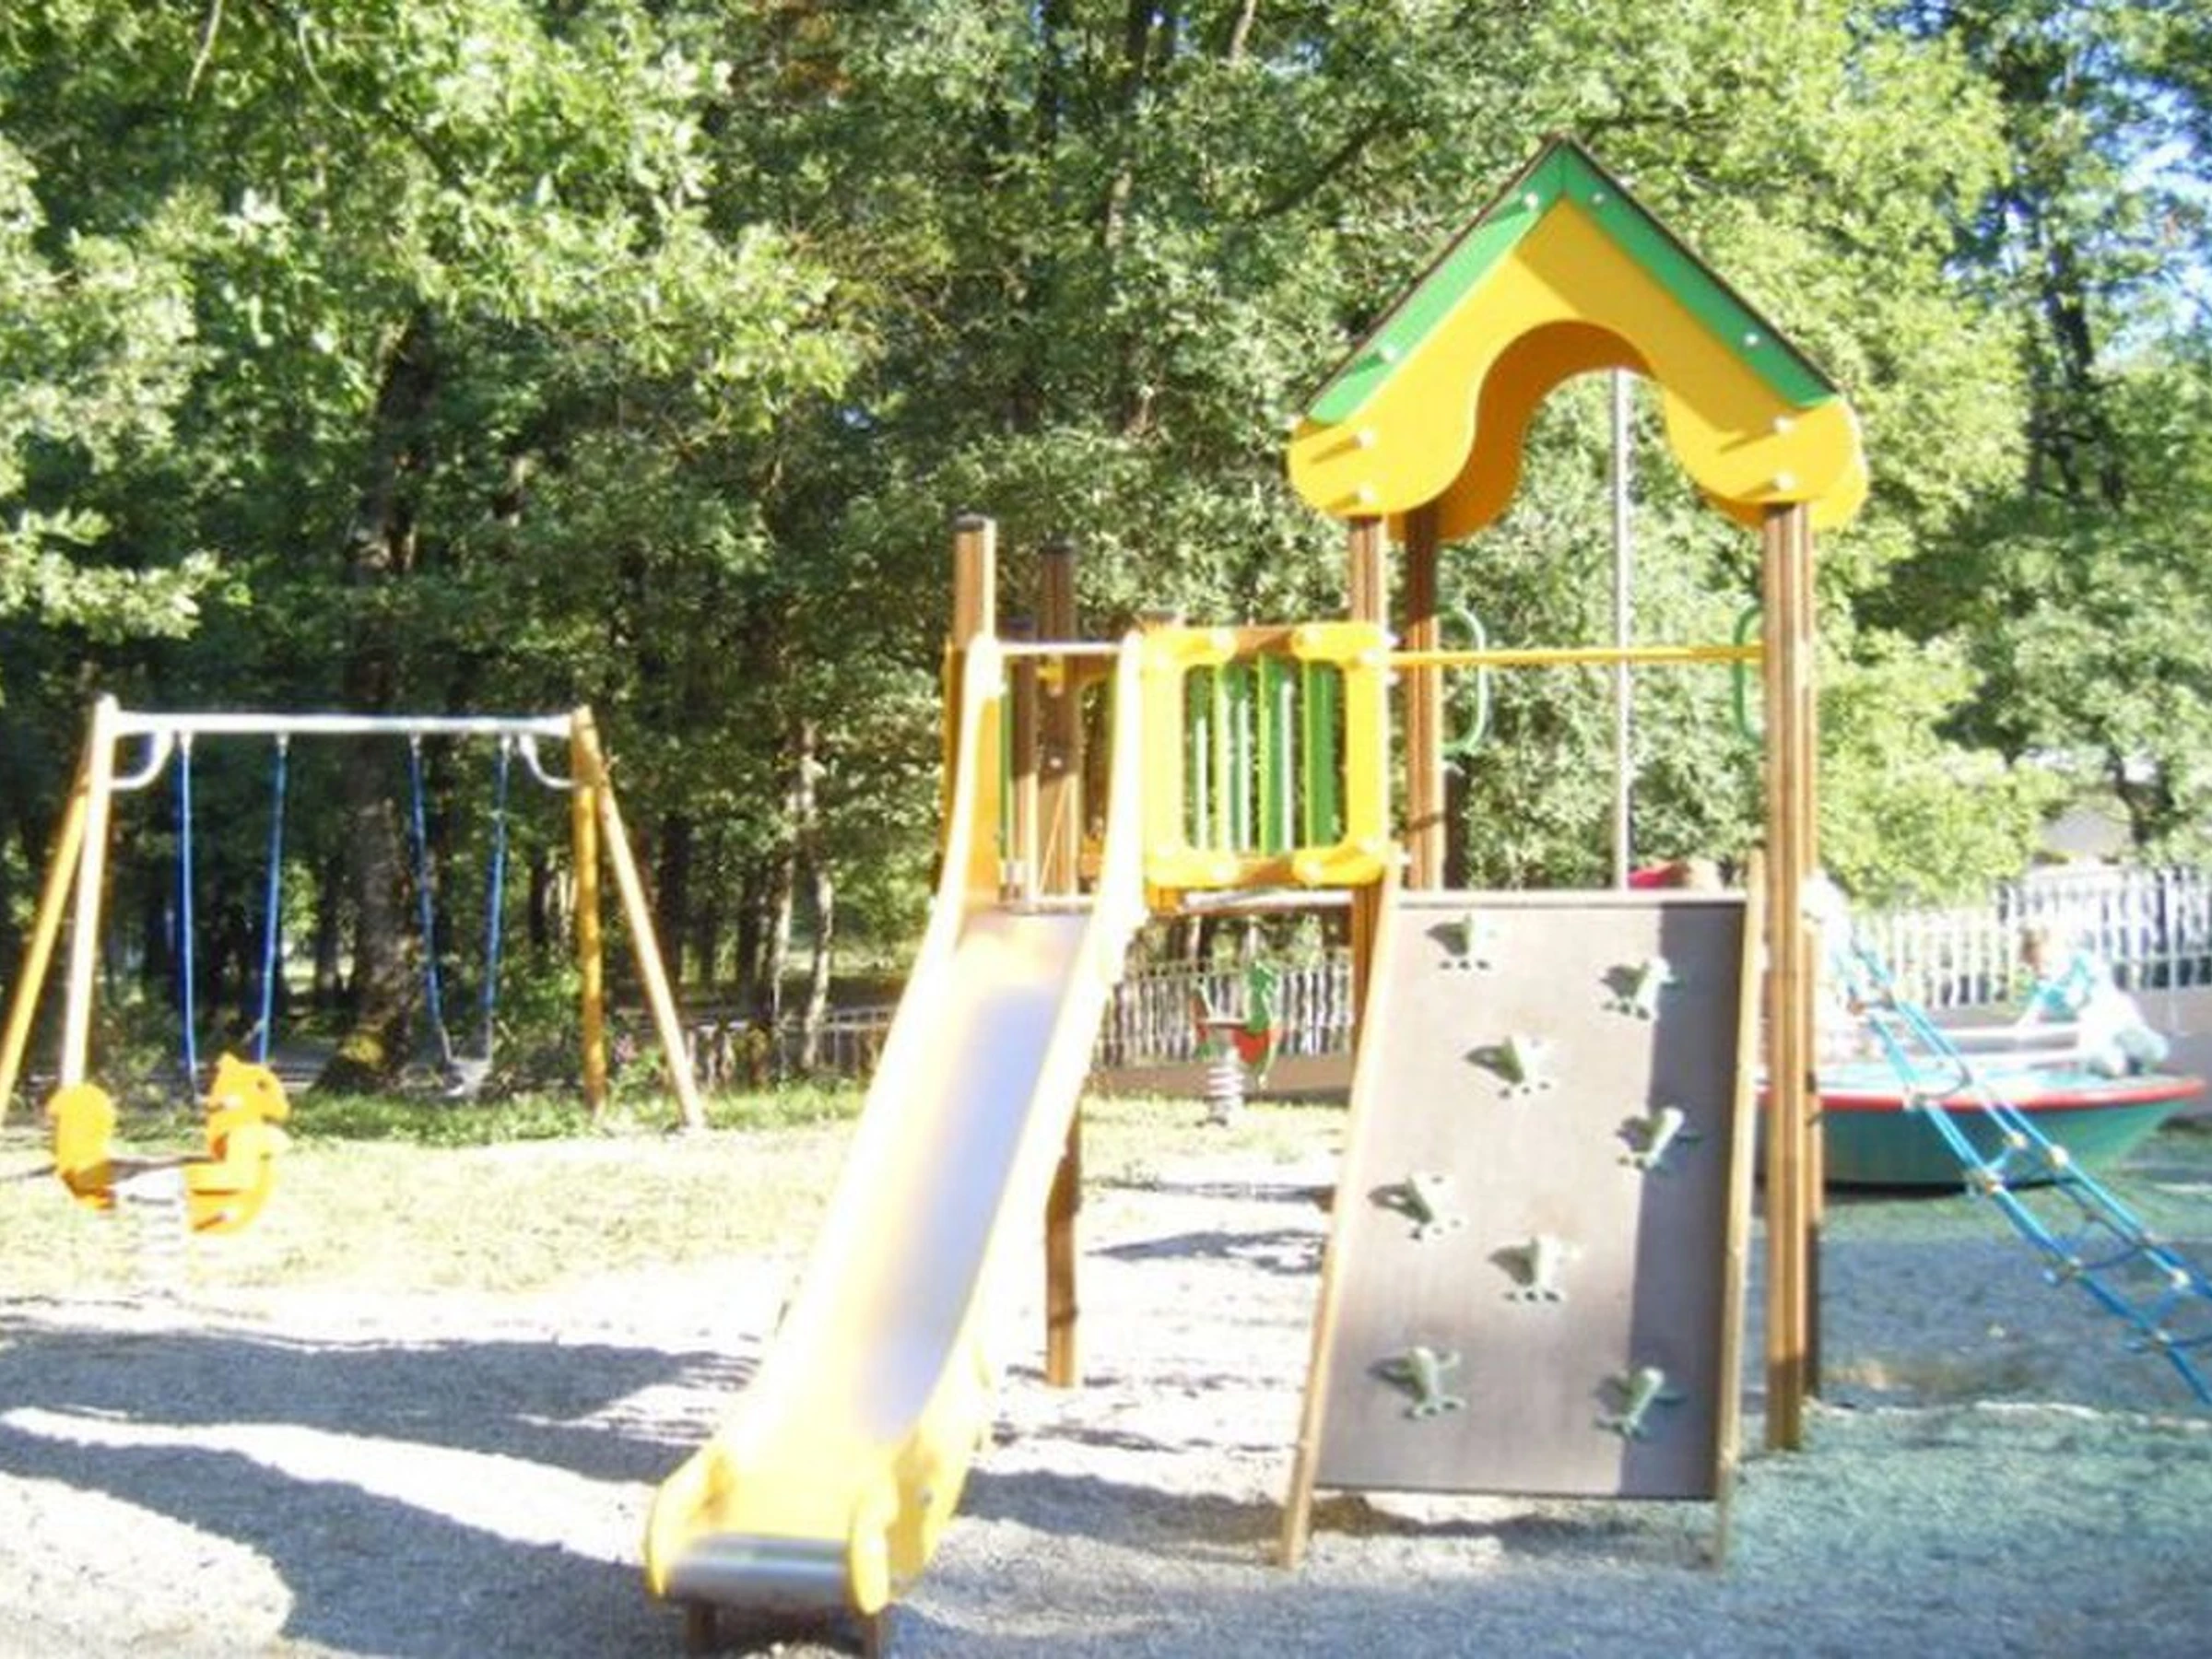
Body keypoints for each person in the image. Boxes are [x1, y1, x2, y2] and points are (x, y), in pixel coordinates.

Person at [2015, 923, 2170, 1077]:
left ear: (2063, 953)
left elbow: (2100, 984)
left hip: (2113, 1011)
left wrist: (2085, 1000)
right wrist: (2019, 1032)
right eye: (2035, 967)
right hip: (2091, 1024)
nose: (2041, 971)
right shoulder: (2042, 986)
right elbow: (2031, 1014)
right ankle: (2125, 1065)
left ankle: (2147, 1051)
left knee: (2149, 1047)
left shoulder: (2081, 960)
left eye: (2047, 963)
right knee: (2102, 1059)